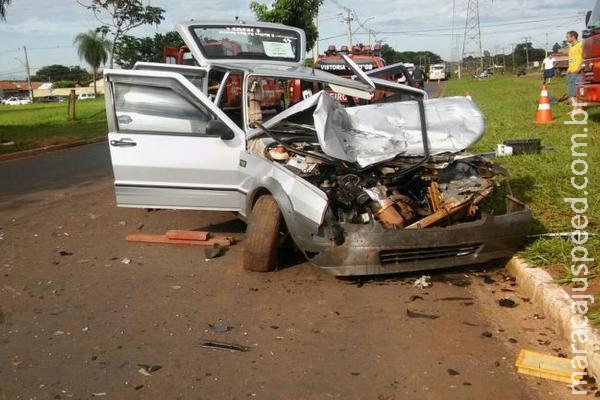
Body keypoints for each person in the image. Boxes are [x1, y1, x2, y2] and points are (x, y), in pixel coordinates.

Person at [565, 30, 584, 114]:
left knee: (579, 91)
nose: (566, 38)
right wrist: (568, 70)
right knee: (572, 92)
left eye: (567, 37)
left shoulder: (580, 45)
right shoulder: (571, 47)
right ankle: (575, 109)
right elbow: (571, 60)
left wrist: (579, 68)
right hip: (571, 72)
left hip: (578, 71)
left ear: (573, 37)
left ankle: (579, 109)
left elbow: (584, 57)